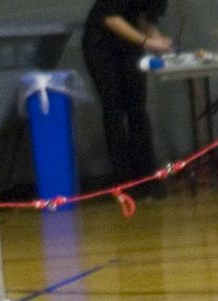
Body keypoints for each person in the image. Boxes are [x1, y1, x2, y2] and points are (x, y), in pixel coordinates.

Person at [82, 0, 171, 194]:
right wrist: (147, 42)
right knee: (113, 111)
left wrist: (160, 44)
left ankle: (148, 177)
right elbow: (110, 18)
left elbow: (146, 20)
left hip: (131, 45)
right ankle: (123, 180)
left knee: (138, 110)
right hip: (101, 45)